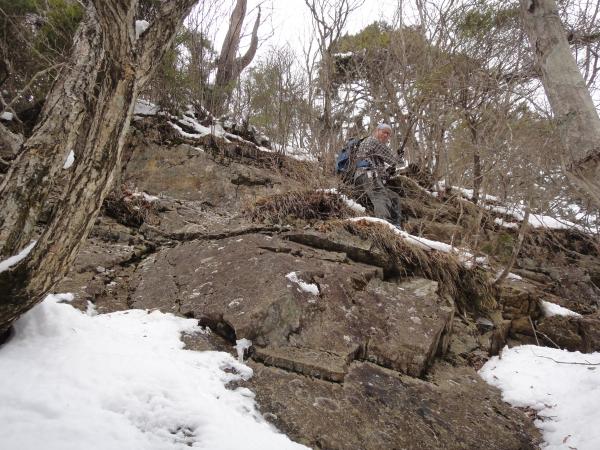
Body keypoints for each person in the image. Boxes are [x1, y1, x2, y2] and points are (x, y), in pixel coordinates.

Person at [353, 123, 404, 227]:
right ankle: (383, 225)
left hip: (365, 178)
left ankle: (396, 226)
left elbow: (381, 168)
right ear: (376, 131)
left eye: (388, 134)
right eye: (384, 132)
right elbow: (393, 160)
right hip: (367, 174)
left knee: (394, 198)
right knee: (380, 196)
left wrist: (388, 172)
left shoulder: (373, 146)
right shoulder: (374, 141)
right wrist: (399, 157)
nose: (386, 135)